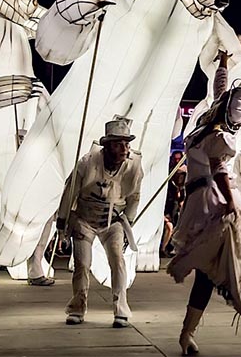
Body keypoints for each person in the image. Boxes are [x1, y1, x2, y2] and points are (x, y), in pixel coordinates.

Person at [167, 51, 241, 356]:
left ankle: (188, 334)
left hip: (199, 203)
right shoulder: (221, 136)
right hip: (218, 203)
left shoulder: (203, 129)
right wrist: (233, 206)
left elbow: (219, 93)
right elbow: (221, 170)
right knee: (236, 272)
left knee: (210, 276)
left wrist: (222, 64)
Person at [55, 117, 143, 328]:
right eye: (118, 144)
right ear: (107, 146)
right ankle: (78, 308)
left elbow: (134, 197)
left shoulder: (133, 166)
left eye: (126, 144)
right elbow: (70, 192)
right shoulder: (87, 162)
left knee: (118, 262)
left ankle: (121, 309)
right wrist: (62, 225)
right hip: (84, 220)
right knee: (82, 264)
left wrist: (128, 223)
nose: (124, 149)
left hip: (113, 222)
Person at [161, 164, 187, 257]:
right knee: (169, 226)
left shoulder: (181, 188)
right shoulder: (169, 187)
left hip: (174, 214)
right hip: (165, 214)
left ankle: (175, 248)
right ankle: (163, 249)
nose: (181, 177)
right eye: (180, 175)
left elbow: (181, 202)